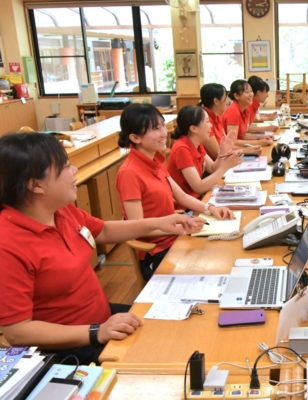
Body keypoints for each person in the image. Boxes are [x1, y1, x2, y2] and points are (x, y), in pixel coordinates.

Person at [0, 132, 203, 365]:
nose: (74, 170)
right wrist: (96, 332)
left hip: (102, 318)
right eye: (66, 167)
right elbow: (17, 332)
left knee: (186, 325)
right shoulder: (8, 243)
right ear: (35, 185)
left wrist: (160, 222)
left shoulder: (60, 210)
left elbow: (103, 231)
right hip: (70, 347)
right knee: (170, 358)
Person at [116, 104, 234, 280]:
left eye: (163, 125)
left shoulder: (155, 161)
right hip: (156, 251)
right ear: (135, 138)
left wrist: (211, 208)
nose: (164, 133)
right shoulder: (129, 173)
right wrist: (180, 227)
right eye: (155, 129)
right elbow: (137, 228)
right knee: (215, 269)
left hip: (175, 236)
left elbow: (181, 196)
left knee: (225, 254)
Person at [167, 105, 244, 204]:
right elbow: (199, 187)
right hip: (188, 206)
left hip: (199, 199)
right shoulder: (182, 149)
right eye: (207, 121)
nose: (211, 125)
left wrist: (223, 152)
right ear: (194, 128)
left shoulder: (197, 143)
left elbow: (212, 168)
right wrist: (226, 166)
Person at [199, 83, 261, 160]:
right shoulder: (205, 121)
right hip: (216, 163)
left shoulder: (217, 117)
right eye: (225, 98)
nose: (228, 101)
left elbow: (228, 146)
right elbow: (218, 154)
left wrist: (249, 149)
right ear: (216, 101)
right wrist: (245, 150)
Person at [221, 80, 275, 149]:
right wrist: (257, 142)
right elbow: (232, 141)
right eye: (247, 92)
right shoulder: (233, 111)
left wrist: (261, 137)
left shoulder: (245, 110)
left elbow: (242, 135)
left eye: (251, 91)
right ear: (236, 96)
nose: (251, 94)